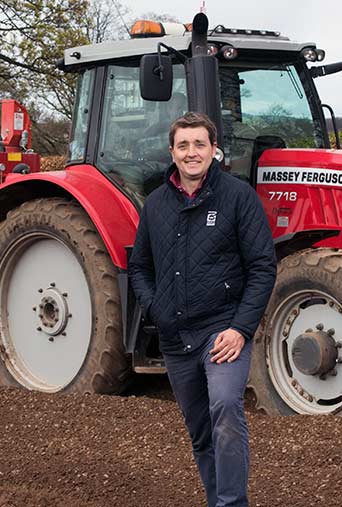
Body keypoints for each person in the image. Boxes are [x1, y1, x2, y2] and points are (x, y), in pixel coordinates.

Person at [128, 112, 277, 507]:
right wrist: (156, 307)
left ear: (214, 149)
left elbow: (263, 266)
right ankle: (218, 501)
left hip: (222, 330)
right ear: (172, 152)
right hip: (176, 336)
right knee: (200, 432)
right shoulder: (156, 204)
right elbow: (139, 266)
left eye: (199, 144)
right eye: (183, 145)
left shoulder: (237, 197)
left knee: (226, 409)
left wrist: (240, 329)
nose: (191, 153)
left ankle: (231, 504)